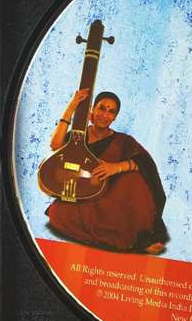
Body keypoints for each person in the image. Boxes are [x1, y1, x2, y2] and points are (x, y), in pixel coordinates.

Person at [45, 88, 168, 254]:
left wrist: (115, 167)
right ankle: (111, 234)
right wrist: (72, 107)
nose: (105, 115)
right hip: (83, 195)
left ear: (115, 117)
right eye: (101, 108)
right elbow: (55, 145)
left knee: (133, 179)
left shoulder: (123, 141)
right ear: (92, 110)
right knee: (57, 213)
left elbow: (145, 164)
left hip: (111, 196)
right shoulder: (78, 136)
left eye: (111, 112)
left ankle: (139, 237)